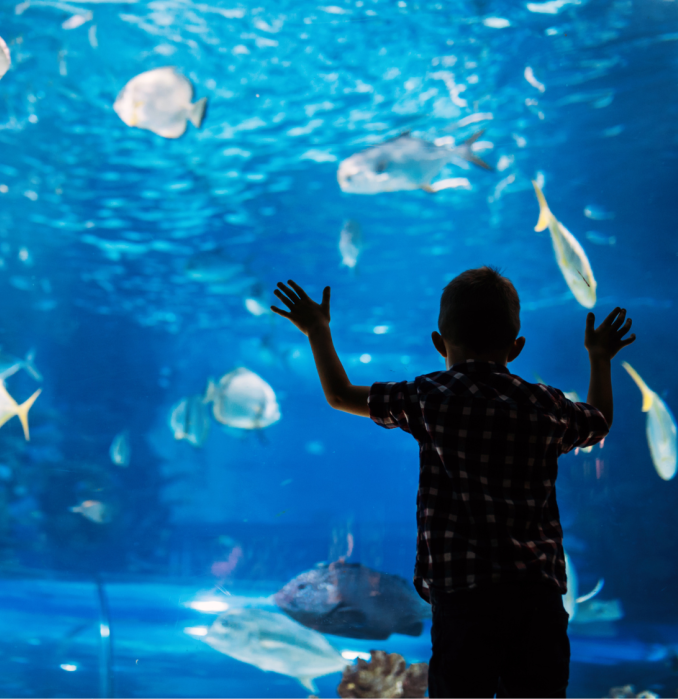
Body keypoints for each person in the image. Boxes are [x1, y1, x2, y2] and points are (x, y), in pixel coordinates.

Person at [270, 267, 635, 698]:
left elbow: (340, 394)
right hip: (536, 599)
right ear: (516, 347)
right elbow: (600, 422)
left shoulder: (430, 397)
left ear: (439, 343)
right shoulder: (546, 404)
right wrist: (600, 357)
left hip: (463, 600)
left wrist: (317, 329)